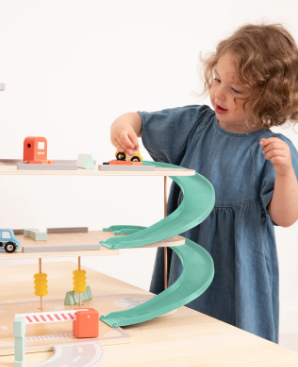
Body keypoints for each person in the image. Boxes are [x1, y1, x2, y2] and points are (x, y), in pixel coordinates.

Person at [109, 22, 298, 343]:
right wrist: (122, 125)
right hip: (190, 248)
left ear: (269, 98)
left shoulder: (273, 149)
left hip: (242, 261)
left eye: (236, 90)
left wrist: (285, 174)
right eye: (217, 79)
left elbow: (285, 217)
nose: (219, 93)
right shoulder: (195, 124)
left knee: (240, 339)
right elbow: (138, 120)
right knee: (178, 329)